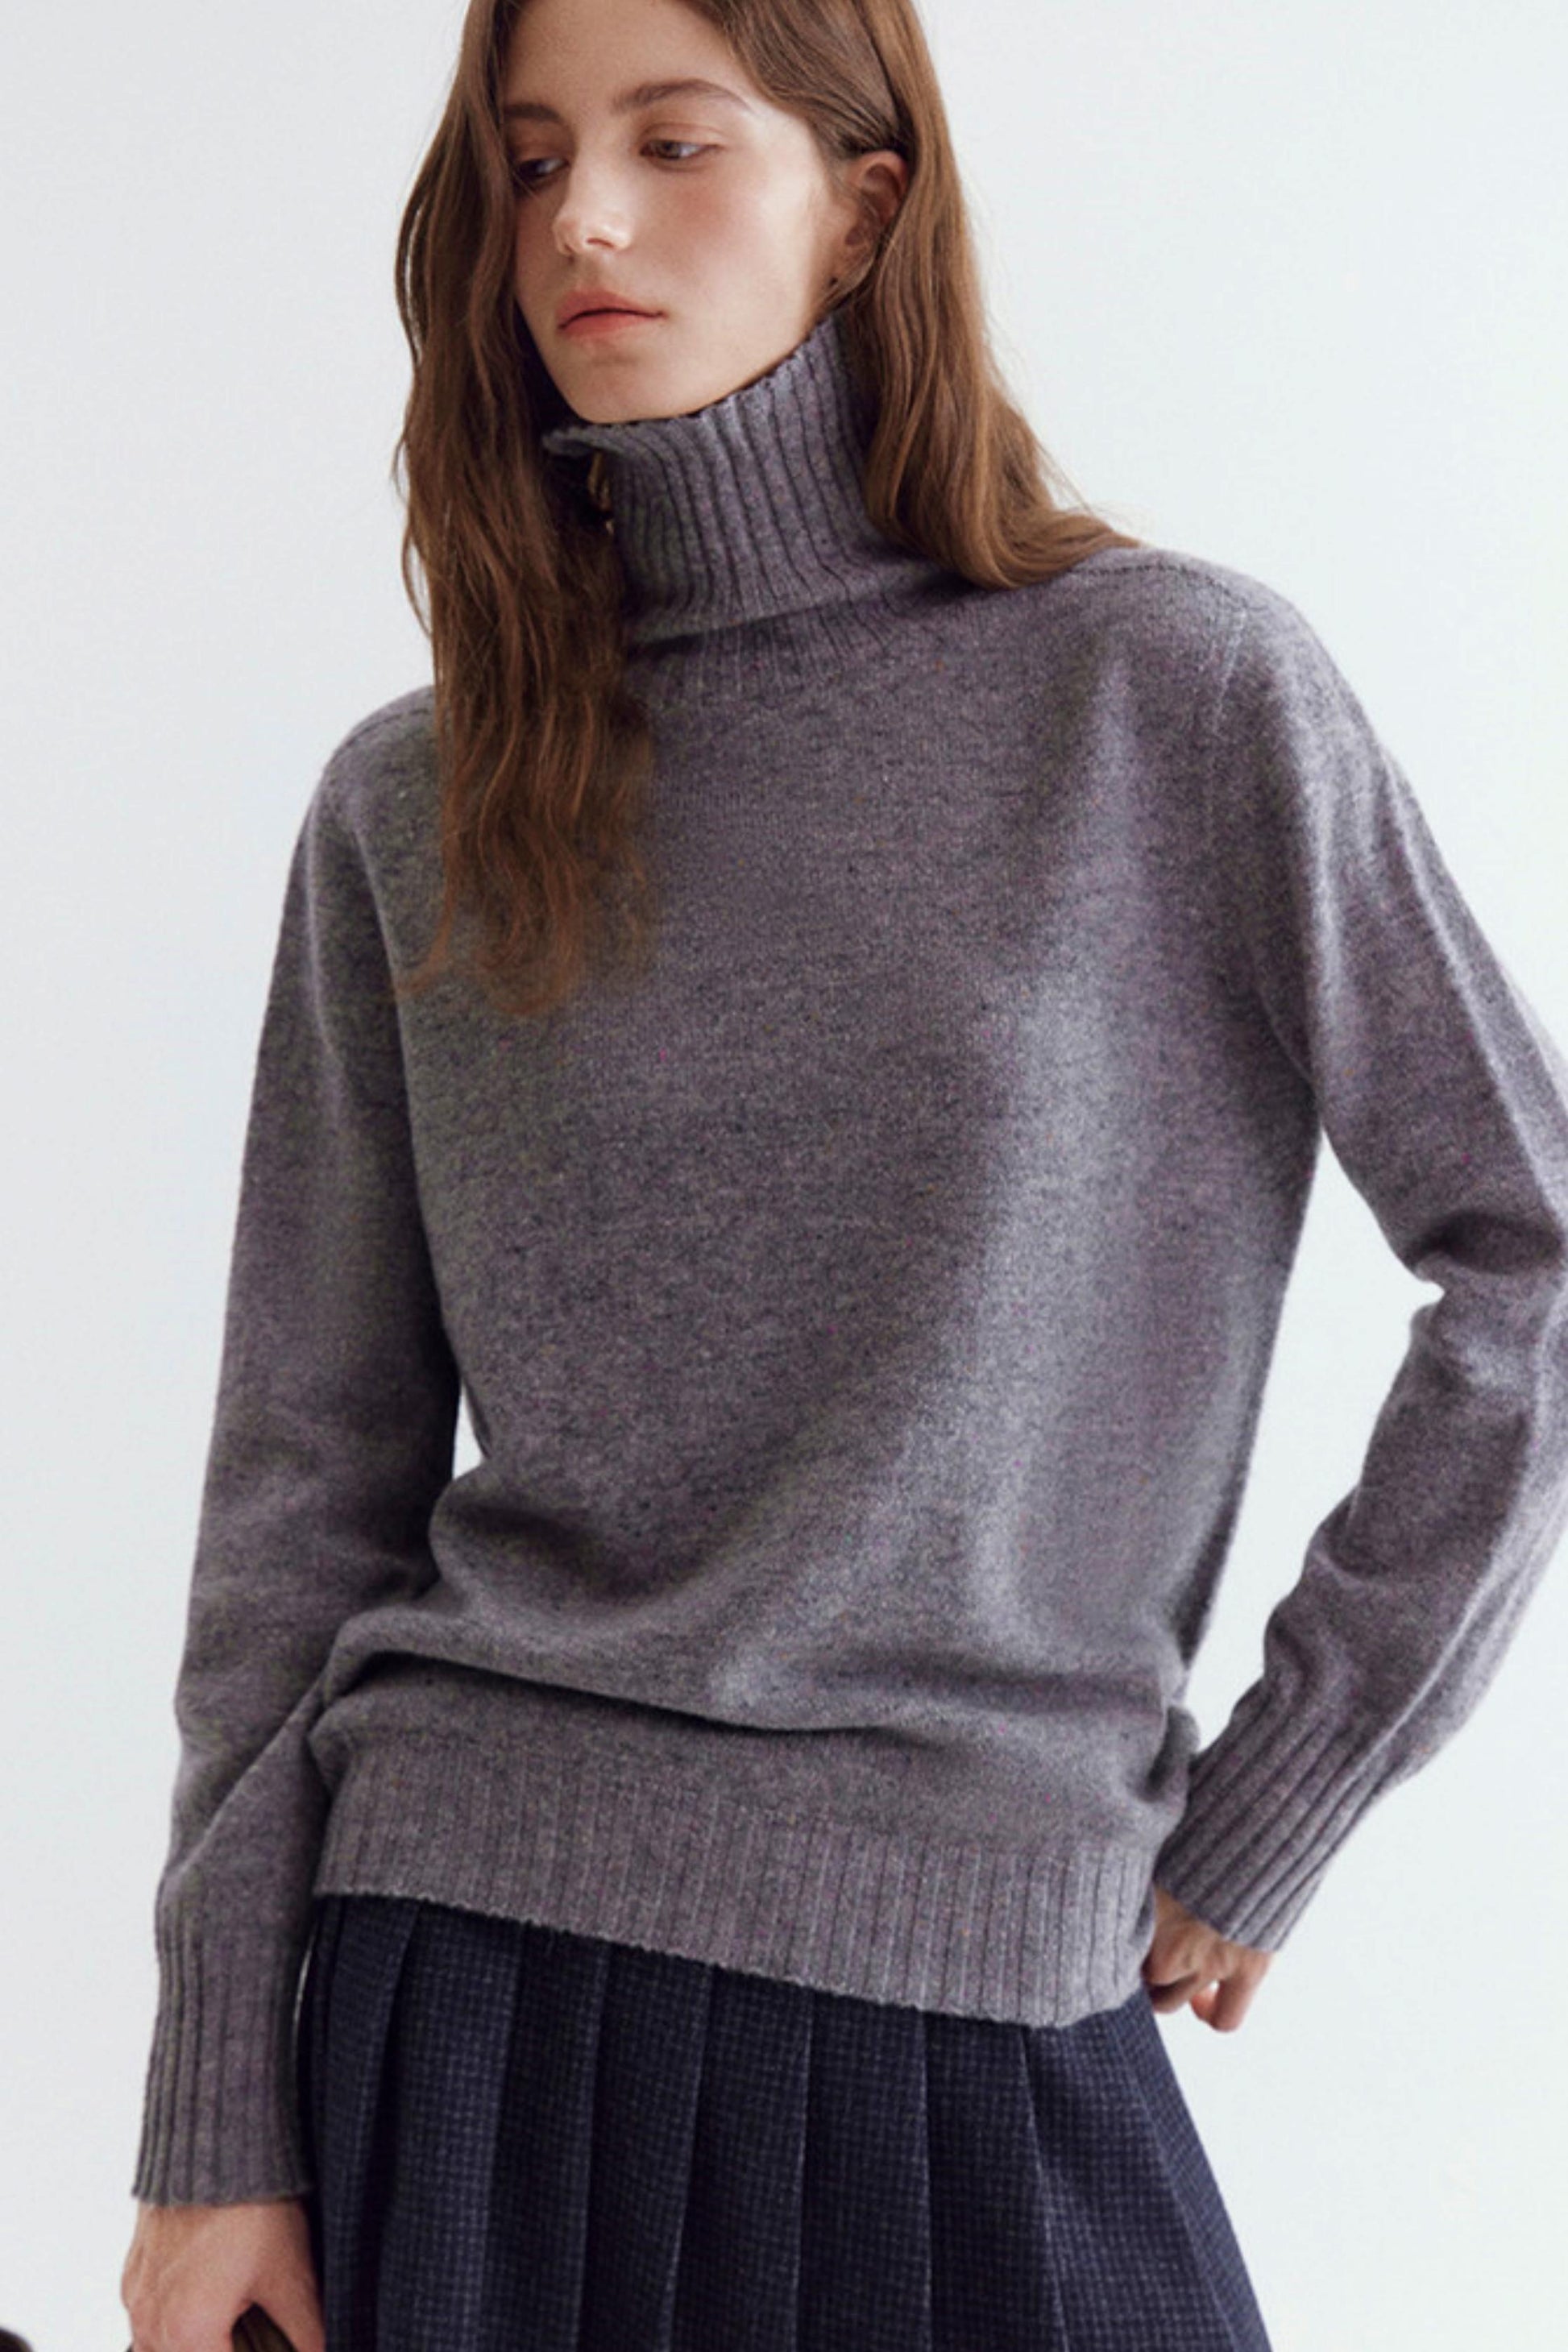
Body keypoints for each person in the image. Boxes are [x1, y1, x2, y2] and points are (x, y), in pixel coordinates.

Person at [121, 0, 1568, 2343]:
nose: (583, 222)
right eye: (529, 160)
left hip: (977, 1994)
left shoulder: (1166, 695)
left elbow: (1534, 1253)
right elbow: (301, 1502)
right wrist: (213, 2123)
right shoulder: (414, 800)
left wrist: (1294, 1776)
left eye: (675, 143)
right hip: (460, 1999)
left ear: (865, 202)